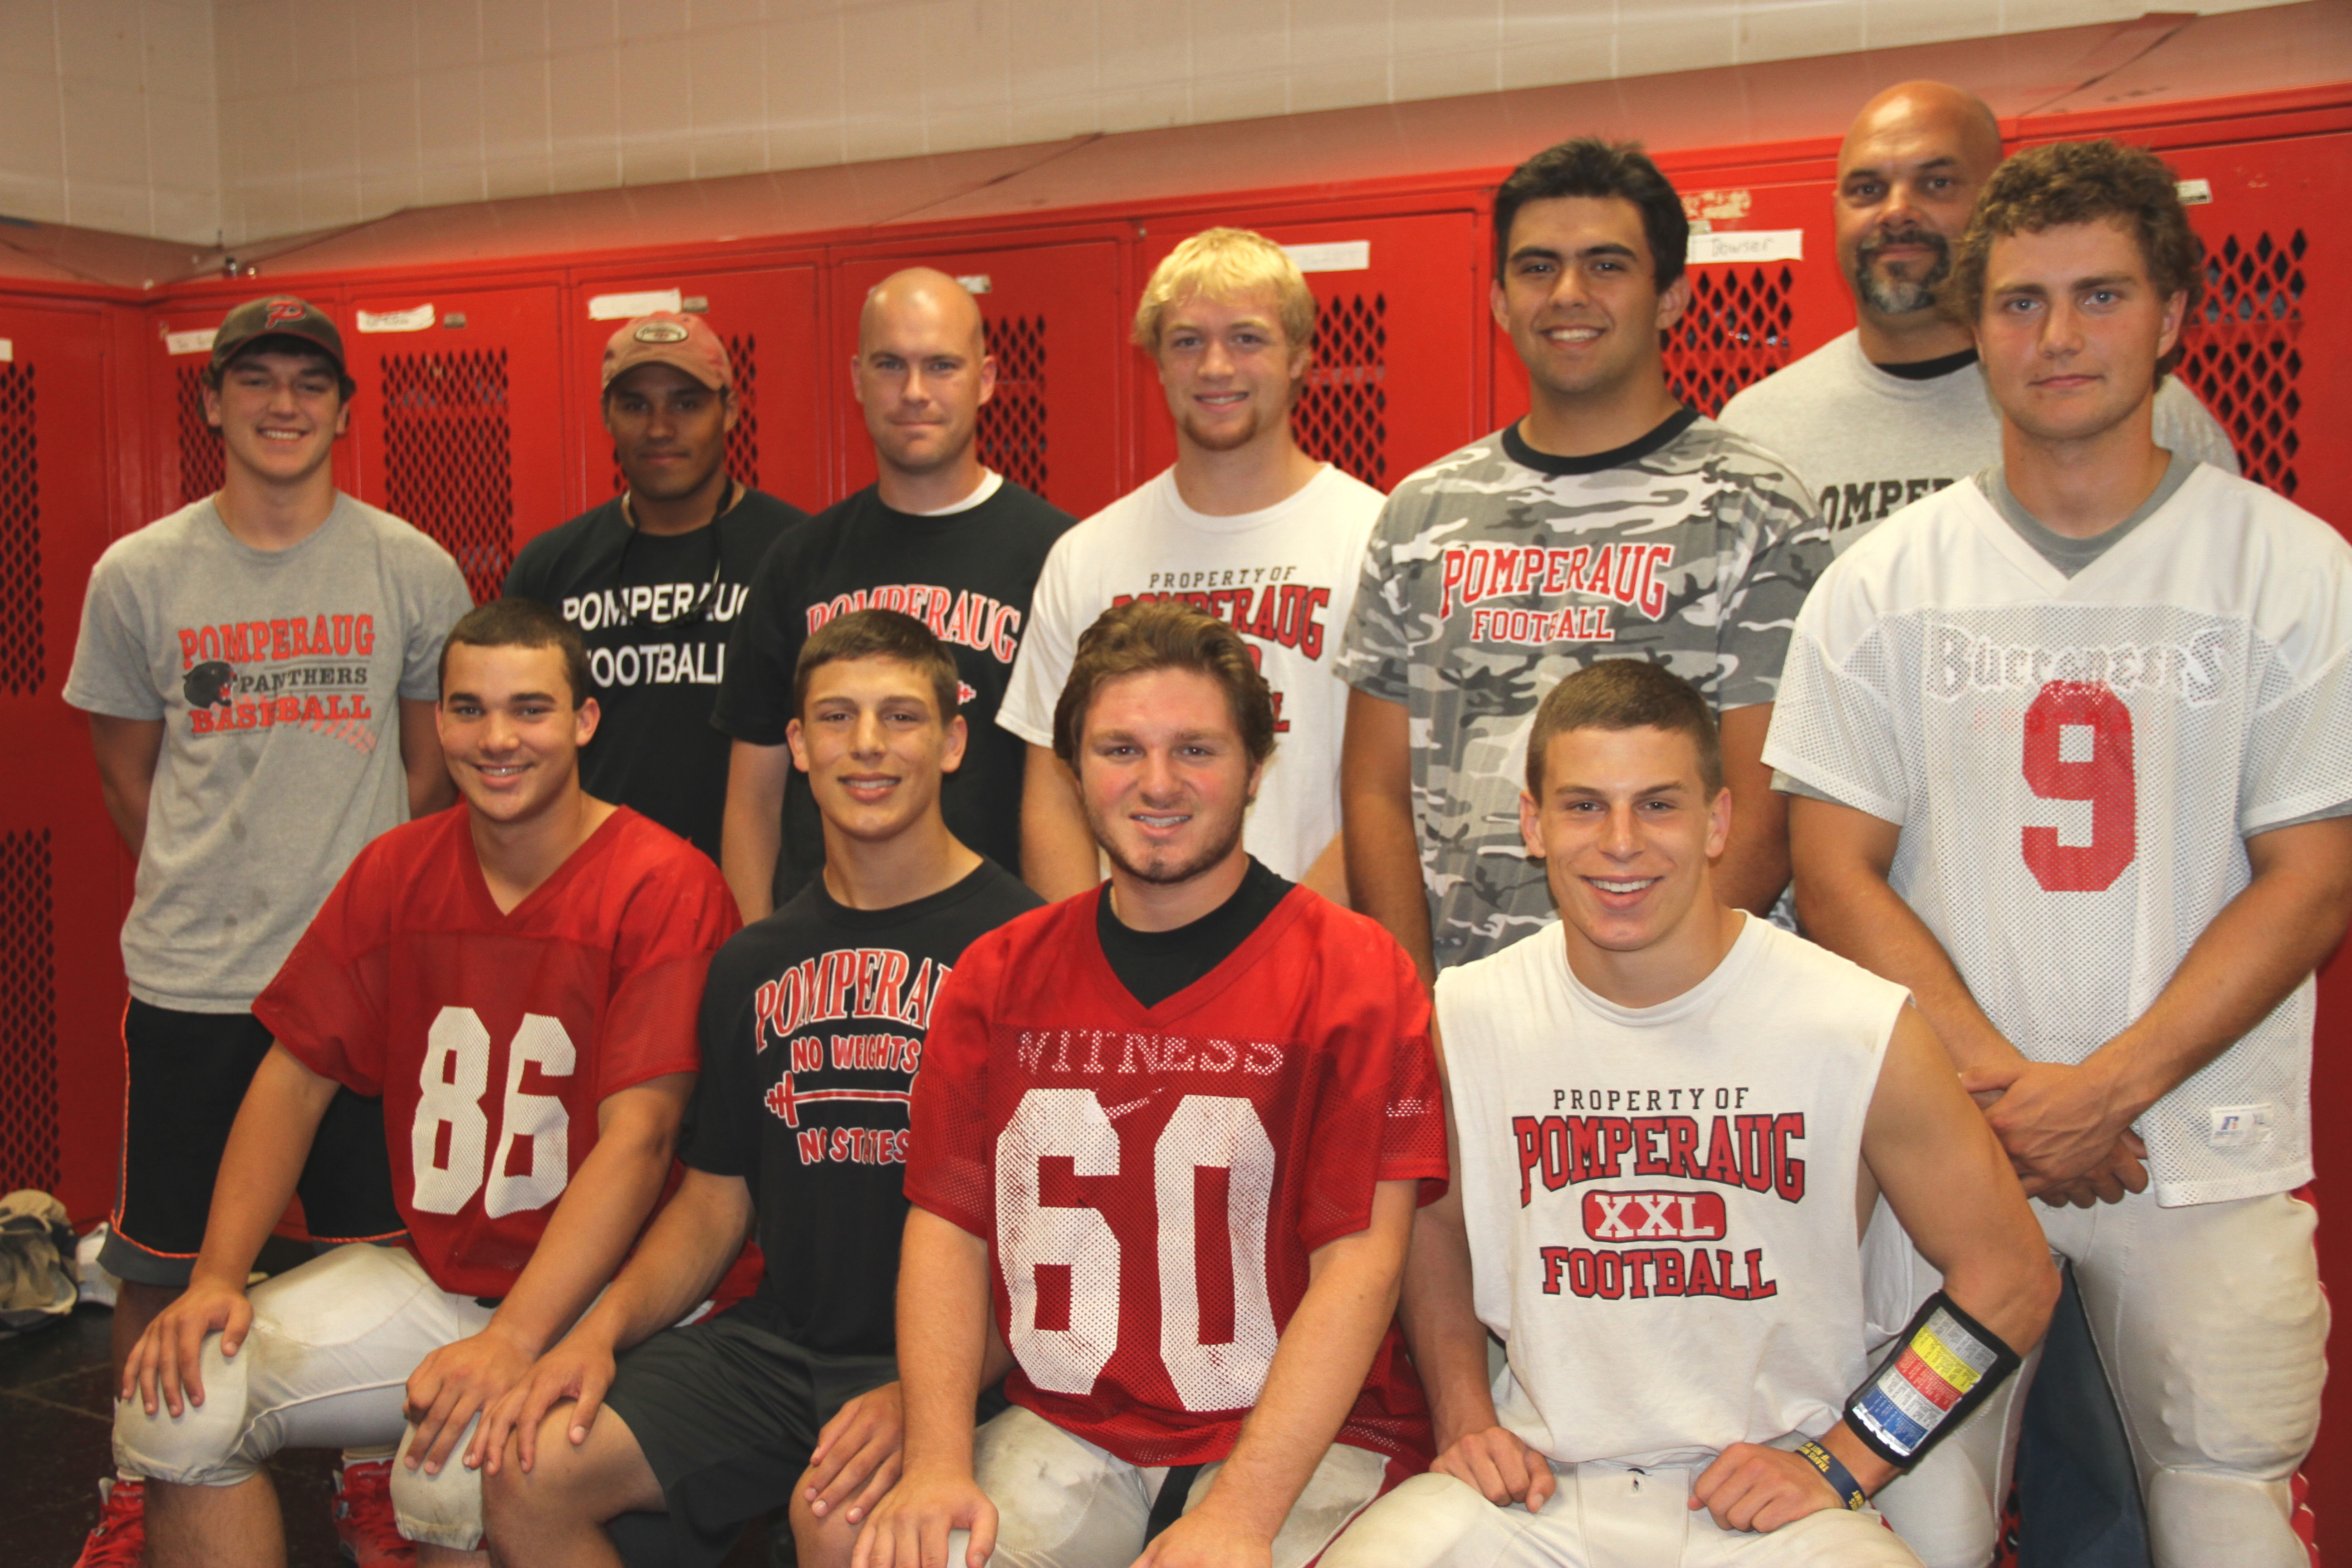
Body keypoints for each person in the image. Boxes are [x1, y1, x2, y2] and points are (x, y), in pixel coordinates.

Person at [1765, 139, 2352, 1568]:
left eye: (2101, 296)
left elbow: (2315, 877)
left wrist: (2103, 1091)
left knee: (2228, 1507)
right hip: (1944, 1157)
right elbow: (1832, 872)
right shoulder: (1884, 585)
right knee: (1909, 1516)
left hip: (2199, 1151)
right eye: (2022, 302)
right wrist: (1999, 1094)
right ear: (1976, 326)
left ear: (2175, 316)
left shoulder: (2291, 569)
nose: (2060, 336)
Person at [1319, 660, 2057, 1568]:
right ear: (1532, 823)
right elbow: (1434, 1222)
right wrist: (1466, 1414)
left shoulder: (1856, 1026)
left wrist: (1851, 1459)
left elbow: (2013, 1276)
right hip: (1537, 1491)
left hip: (1775, 1498)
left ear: (1718, 822)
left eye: (1658, 806)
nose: (1620, 842)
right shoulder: (1468, 1018)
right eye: (1585, 806)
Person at [112, 599, 739, 1568]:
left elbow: (641, 1141)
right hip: (443, 1277)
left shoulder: (664, 883)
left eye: (530, 709)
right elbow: (294, 1079)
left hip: (605, 1305)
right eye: (468, 709)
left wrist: (516, 1342)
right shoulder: (397, 870)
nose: (498, 739)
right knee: (182, 1402)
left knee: (451, 1475)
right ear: (435, 721)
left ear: (584, 722)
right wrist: (218, 1279)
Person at [854, 600, 1448, 1568]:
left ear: (1257, 767)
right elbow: (950, 1230)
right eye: (1121, 749)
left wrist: (1240, 1517)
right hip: (1076, 1422)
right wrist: (934, 1460)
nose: (1158, 783)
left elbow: (1361, 1268)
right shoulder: (1000, 976)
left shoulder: (1354, 973)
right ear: (1075, 768)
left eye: (1197, 751)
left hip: (1310, 1436)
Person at [476, 609, 1040, 1568]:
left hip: (971, 1366)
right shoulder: (754, 959)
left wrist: (930, 1394)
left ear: (951, 742)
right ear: (797, 745)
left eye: (901, 718)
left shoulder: (1025, 951)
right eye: (836, 718)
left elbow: (1054, 1240)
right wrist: (596, 1331)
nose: (867, 747)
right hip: (785, 1349)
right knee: (528, 1471)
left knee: (849, 1532)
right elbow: (715, 1199)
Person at [61, 293, 472, 1566]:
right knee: (165, 1257)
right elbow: (131, 778)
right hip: (196, 979)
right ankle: (146, 1479)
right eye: (257, 383)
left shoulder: (409, 566)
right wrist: (215, 890)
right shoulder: (139, 575)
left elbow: (431, 773)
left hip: (362, 988)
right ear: (214, 405)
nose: (283, 405)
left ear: (346, 410)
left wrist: (349, 914)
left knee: (378, 1249)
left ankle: (371, 1482)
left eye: (309, 383)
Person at [1338, 138, 1825, 985]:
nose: (1567, 295)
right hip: (1476, 1018)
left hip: (1692, 1018)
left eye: (1605, 265)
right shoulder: (1420, 513)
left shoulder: (1754, 506)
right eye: (1536, 268)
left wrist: (1658, 994)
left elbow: (1769, 805)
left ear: (1669, 295)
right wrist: (1417, 1003)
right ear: (1496, 298)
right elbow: (1375, 792)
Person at [1000, 228, 1379, 902]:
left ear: (1299, 356)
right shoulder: (1087, 555)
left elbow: (1386, 790)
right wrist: (1088, 964)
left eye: (1247, 338)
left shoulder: (1373, 538)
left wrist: (1290, 947)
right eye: (1187, 341)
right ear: (1158, 362)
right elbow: (1054, 789)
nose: (1214, 367)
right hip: (1130, 962)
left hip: (1316, 957)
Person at [1717, 81, 2237, 551]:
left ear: (1997, 205)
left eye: (1937, 183)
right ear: (1835, 211)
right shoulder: (1757, 429)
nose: (1897, 210)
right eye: (1867, 190)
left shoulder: (2139, 408)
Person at [715, 270, 1074, 921]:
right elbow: (754, 799)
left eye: (941, 365)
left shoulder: (1060, 557)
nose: (914, 392)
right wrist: (753, 955)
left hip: (995, 945)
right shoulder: (797, 562)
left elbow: (1074, 790)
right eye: (890, 365)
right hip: (820, 955)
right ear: (856, 378)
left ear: (987, 379)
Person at [504, 311, 809, 862]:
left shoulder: (798, 553)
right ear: (606, 416)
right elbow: (513, 737)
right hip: (594, 891)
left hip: (760, 888)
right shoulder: (551, 565)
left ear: (732, 410)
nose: (660, 428)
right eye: (635, 405)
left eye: (686, 403)